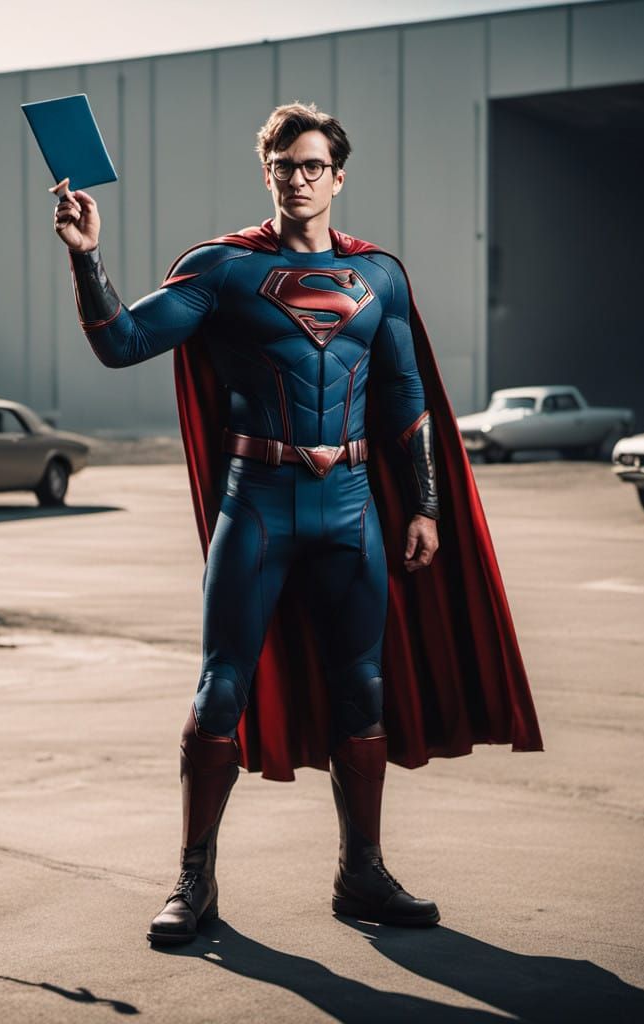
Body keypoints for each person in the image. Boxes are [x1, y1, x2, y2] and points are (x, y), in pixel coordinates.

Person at [52, 102, 543, 946]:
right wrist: (89, 257)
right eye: (285, 165)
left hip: (353, 508)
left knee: (364, 687)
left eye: (314, 165)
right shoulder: (223, 270)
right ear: (268, 173)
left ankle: (362, 874)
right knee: (221, 690)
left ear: (338, 176)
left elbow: (406, 394)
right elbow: (123, 342)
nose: (300, 177)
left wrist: (424, 504)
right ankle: (194, 881)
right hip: (259, 503)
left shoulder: (380, 276)